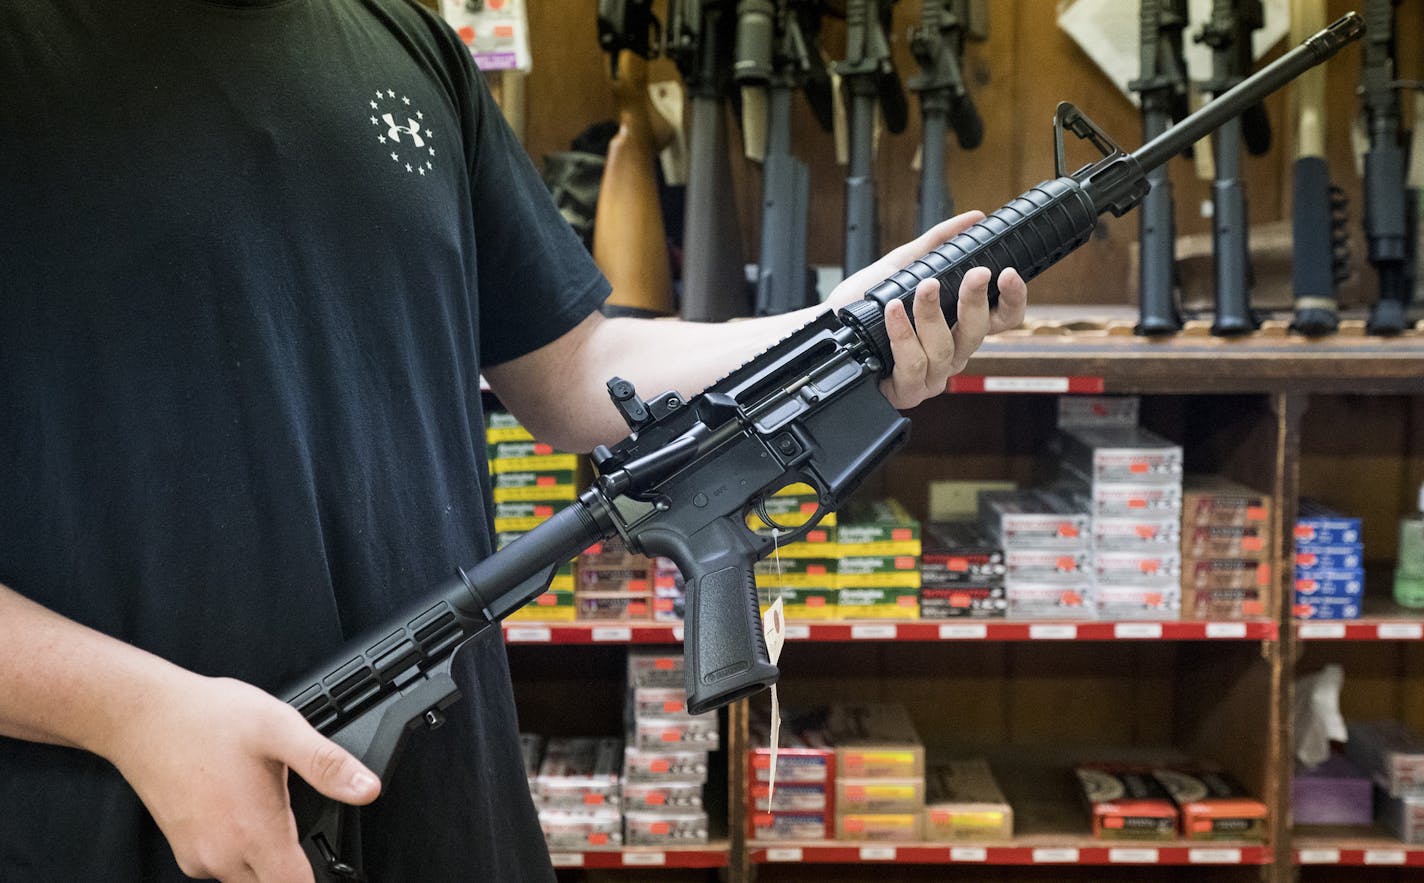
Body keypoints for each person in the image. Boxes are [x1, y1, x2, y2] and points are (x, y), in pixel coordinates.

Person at [0, 1, 1027, 881]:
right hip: (127, 814)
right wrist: (135, 713)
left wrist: (827, 331)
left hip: (444, 791)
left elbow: (573, 371)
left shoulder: (402, 39)